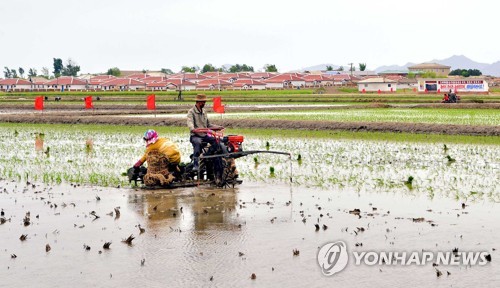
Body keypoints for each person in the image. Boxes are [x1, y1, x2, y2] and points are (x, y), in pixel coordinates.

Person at [187, 94, 223, 171]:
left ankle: (207, 156)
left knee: (216, 141)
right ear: (199, 102)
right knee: (198, 143)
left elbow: (208, 125)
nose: (204, 104)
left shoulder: (204, 112)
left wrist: (218, 127)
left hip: (204, 135)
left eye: (205, 102)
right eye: (203, 102)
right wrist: (192, 128)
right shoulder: (191, 112)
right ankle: (196, 164)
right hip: (195, 135)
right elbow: (190, 122)